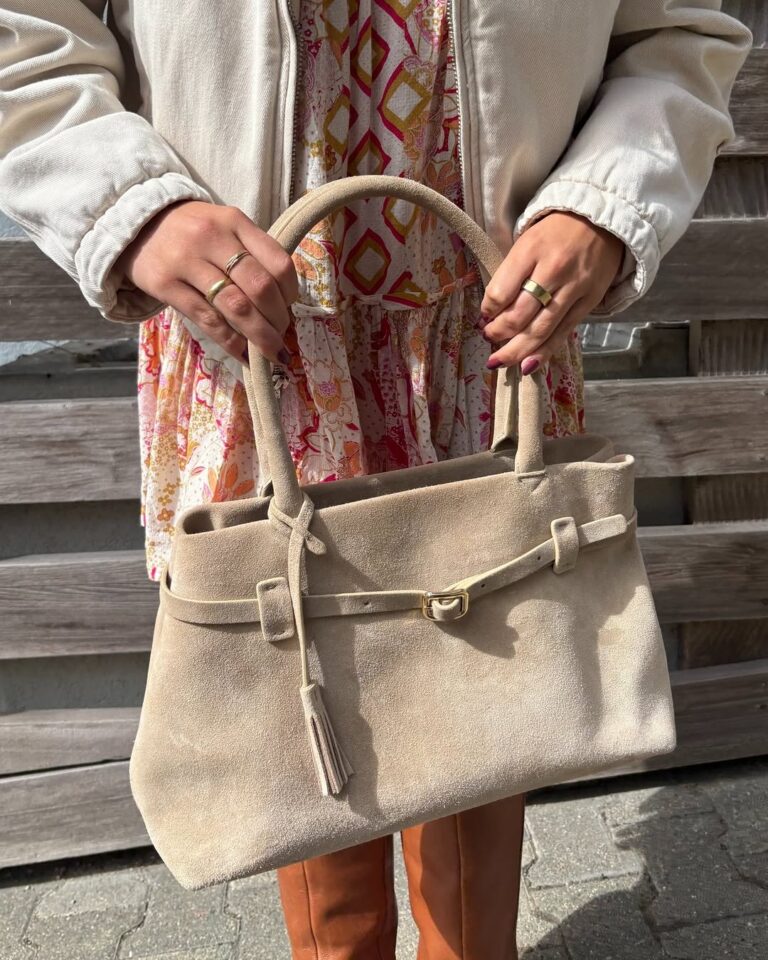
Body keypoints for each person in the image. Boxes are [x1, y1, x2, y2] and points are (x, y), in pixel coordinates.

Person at [0, 2, 752, 957]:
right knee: (305, 691)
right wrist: (131, 204)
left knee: (494, 678)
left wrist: (606, 199)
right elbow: (24, 34)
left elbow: (679, 37)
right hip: (259, 339)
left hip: (491, 327)